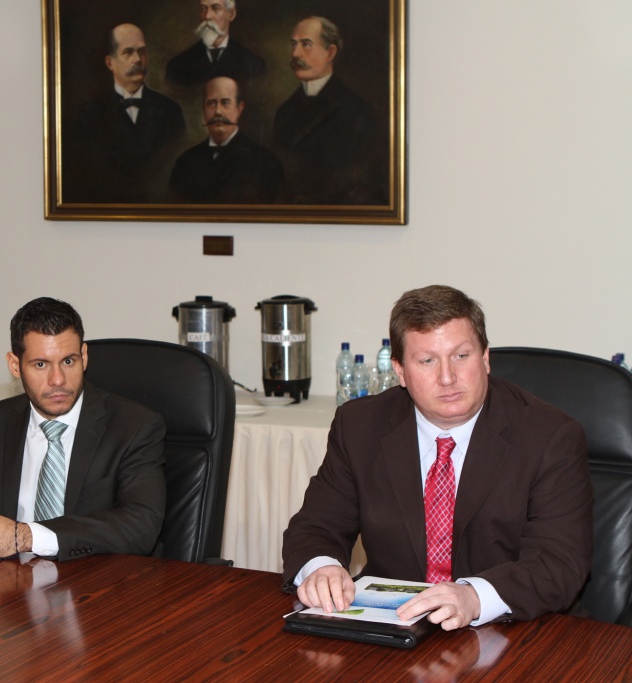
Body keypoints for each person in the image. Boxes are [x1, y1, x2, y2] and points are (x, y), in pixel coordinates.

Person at [282, 285, 593, 630]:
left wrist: (474, 597)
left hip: (516, 628)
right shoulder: (359, 426)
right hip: (394, 623)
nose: (447, 378)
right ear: (400, 371)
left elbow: (559, 562)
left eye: (461, 356)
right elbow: (315, 527)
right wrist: (321, 568)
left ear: (485, 358)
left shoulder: (549, 436)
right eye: (427, 361)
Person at [0, 297, 166, 561]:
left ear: (84, 357)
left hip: (97, 580)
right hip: (8, 582)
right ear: (15, 365)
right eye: (41, 364)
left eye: (68, 361)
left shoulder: (134, 426)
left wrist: (25, 537)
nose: (58, 380)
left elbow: (141, 524)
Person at [63, 23, 186, 203]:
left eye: (142, 51)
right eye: (128, 52)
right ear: (109, 63)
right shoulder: (89, 115)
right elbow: (82, 177)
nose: (137, 59)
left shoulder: (170, 111)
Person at [271, 16, 387, 205]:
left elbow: (366, 185)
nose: (295, 53)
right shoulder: (283, 113)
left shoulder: (359, 112)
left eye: (306, 44)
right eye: (293, 44)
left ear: (330, 52)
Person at [168, 76, 283, 204]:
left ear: (239, 108)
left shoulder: (266, 162)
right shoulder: (185, 162)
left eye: (225, 103)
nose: (218, 111)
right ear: (203, 109)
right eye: (211, 103)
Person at [164, 0, 266, 90]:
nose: (207, 16)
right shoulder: (177, 66)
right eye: (203, 8)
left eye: (215, 8)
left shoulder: (254, 66)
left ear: (231, 14)